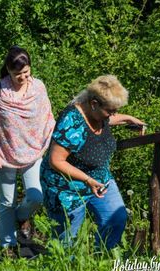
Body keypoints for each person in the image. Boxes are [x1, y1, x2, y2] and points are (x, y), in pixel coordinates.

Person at [41, 75, 146, 250]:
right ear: (94, 104)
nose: (112, 114)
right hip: (67, 187)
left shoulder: (99, 115)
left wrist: (127, 118)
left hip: (100, 178)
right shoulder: (72, 121)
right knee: (67, 243)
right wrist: (87, 181)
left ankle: (100, 260)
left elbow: (107, 119)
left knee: (116, 220)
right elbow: (55, 160)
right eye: (111, 110)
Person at [0, 46, 55, 253]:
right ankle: (7, 245)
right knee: (6, 201)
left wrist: (50, 141)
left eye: (26, 72)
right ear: (8, 71)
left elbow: (47, 117)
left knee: (37, 196)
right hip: (2, 153)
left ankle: (21, 217)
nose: (22, 77)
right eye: (17, 73)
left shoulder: (38, 87)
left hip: (33, 151)